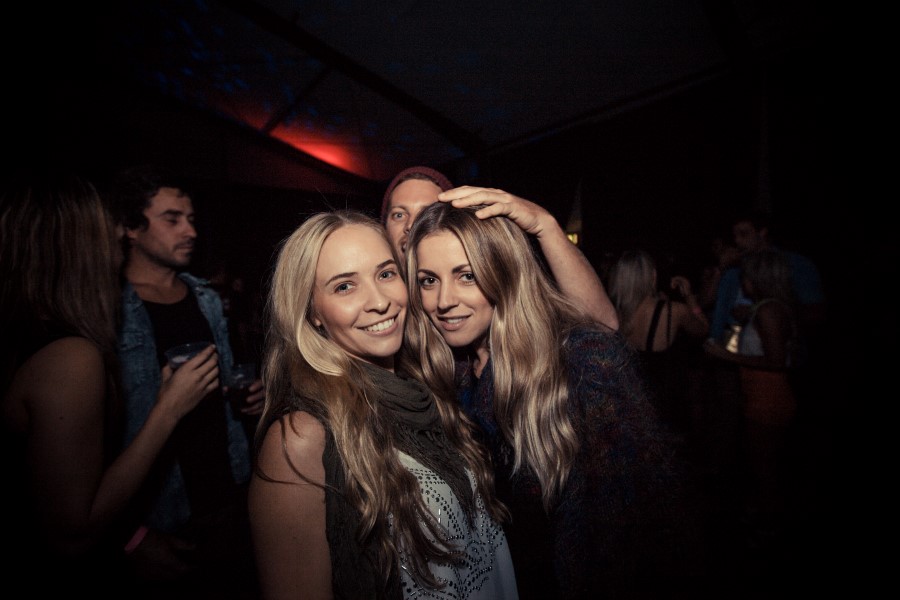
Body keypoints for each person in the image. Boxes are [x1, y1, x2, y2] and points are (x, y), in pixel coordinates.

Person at [404, 202, 706, 600]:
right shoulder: (447, 374)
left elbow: (644, 528)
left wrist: (546, 225)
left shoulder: (579, 362)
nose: (444, 300)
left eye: (467, 275)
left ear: (504, 272)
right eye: (428, 280)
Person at [249, 210, 518, 600]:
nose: (379, 302)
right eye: (345, 286)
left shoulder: (426, 387)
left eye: (386, 274)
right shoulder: (300, 438)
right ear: (312, 313)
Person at [0, 172, 215, 594]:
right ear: (75, 245)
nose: (119, 234)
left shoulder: (25, 334)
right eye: (106, 228)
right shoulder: (69, 357)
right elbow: (70, 535)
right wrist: (169, 409)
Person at [107, 164, 263, 598]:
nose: (190, 231)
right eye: (172, 219)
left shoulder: (206, 298)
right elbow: (87, 442)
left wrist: (248, 398)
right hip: (157, 513)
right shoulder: (107, 308)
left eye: (191, 219)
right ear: (130, 228)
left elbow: (224, 387)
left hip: (228, 496)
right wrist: (128, 536)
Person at [381, 166, 619, 330]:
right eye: (399, 214)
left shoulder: (495, 308)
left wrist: (546, 226)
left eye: (427, 213)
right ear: (383, 228)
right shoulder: (380, 307)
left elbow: (602, 329)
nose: (411, 225)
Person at [703, 249, 801, 548]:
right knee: (760, 461)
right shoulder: (765, 309)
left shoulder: (769, 311)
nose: (743, 281)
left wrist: (727, 356)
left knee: (765, 466)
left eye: (746, 276)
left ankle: (769, 527)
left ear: (759, 278)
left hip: (769, 398)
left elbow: (777, 361)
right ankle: (760, 512)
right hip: (758, 396)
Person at [607, 249, 709, 434]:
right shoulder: (674, 311)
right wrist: (690, 298)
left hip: (631, 407)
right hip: (666, 409)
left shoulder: (613, 315)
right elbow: (703, 329)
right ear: (653, 276)